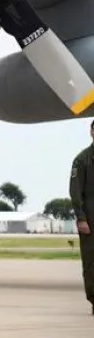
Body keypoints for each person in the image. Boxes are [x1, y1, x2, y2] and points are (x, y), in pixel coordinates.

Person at [70, 119, 94, 315]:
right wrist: (81, 218)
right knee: (91, 261)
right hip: (91, 218)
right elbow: (75, 191)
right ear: (91, 132)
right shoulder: (82, 159)